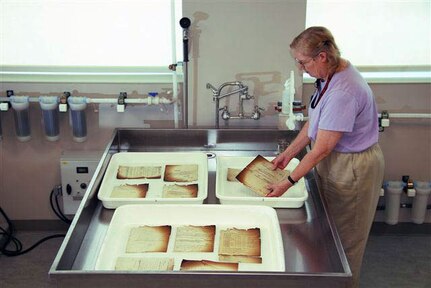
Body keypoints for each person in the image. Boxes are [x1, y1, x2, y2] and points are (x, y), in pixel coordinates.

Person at [266, 26, 385, 288]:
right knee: (328, 232)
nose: (300, 68)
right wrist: (288, 154)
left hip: (352, 167)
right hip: (335, 160)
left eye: (302, 62)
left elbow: (321, 148)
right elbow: (314, 124)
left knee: (345, 243)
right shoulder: (328, 77)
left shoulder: (343, 91)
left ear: (321, 56)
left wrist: (287, 182)